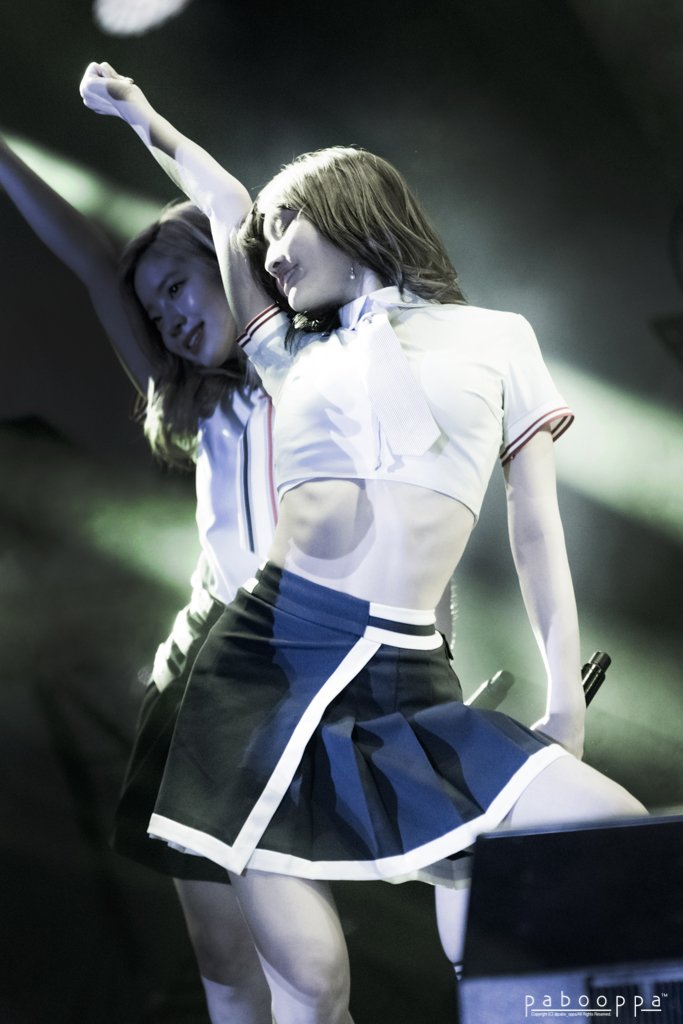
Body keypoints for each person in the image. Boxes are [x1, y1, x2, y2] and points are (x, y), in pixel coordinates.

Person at [79, 62, 647, 1024]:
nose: (267, 251)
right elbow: (221, 201)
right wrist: (141, 117)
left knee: (610, 834)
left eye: (285, 226)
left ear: (349, 209)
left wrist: (563, 703)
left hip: (403, 671)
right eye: (261, 238)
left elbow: (534, 529)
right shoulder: (287, 349)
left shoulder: (496, 338)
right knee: (312, 982)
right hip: (262, 665)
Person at [0, 134, 277, 1024]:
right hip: (201, 686)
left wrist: (143, 121)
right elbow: (91, 261)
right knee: (226, 955)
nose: (167, 320)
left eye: (177, 289)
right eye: (153, 313)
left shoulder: (315, 373)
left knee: (308, 950)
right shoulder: (202, 403)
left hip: (301, 674)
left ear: (228, 268)